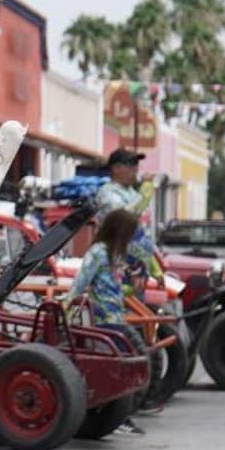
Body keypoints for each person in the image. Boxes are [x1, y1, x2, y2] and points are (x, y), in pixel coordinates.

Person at [69, 208, 147, 435]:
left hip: (116, 316)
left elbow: (114, 286)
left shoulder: (116, 254)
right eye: (129, 232)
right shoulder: (98, 252)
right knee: (116, 366)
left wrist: (132, 287)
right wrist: (67, 304)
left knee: (124, 363)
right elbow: (81, 282)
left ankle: (121, 416)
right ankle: (118, 417)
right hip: (103, 318)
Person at [96, 148, 165, 298]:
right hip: (117, 268)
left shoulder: (132, 193)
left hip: (136, 272)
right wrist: (147, 188)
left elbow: (139, 237)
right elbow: (127, 215)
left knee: (138, 311)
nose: (136, 168)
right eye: (130, 164)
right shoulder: (108, 194)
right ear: (116, 168)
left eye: (136, 164)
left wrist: (155, 270)